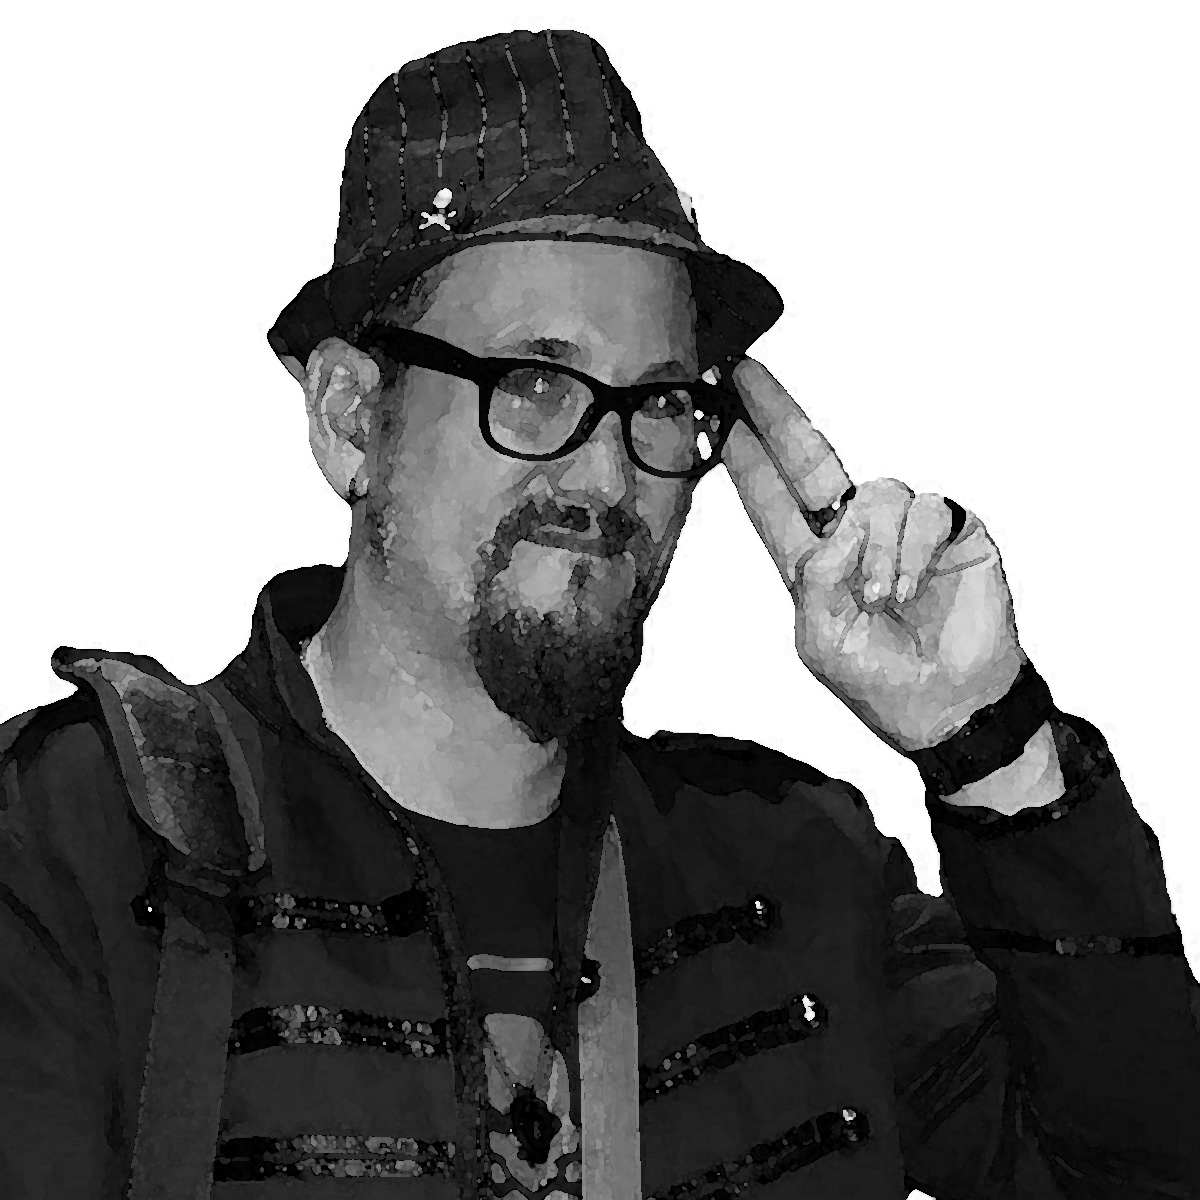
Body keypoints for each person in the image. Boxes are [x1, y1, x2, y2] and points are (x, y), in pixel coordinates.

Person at [1, 26, 1197, 1200]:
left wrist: (989, 743)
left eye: (661, 403)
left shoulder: (793, 869)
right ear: (351, 418)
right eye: (533, 380)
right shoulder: (75, 844)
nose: (609, 475)